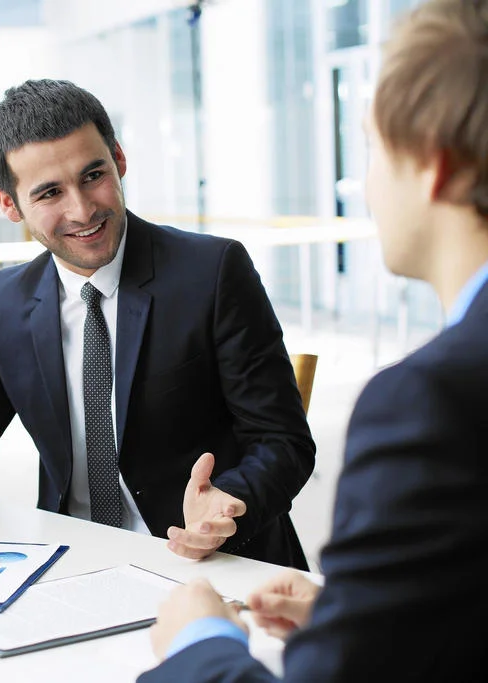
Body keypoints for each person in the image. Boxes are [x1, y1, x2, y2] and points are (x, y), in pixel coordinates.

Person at [143, 1, 488, 679]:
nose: (364, 184)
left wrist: (198, 641)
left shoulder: (429, 401)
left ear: (434, 166)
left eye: (372, 147)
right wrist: (366, 613)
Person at [0, 79, 315, 569]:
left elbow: (282, 441)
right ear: (9, 205)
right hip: (73, 561)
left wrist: (230, 503)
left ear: (119, 159)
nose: (83, 210)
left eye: (93, 175)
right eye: (50, 193)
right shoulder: (1, 302)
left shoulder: (213, 273)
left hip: (212, 560)